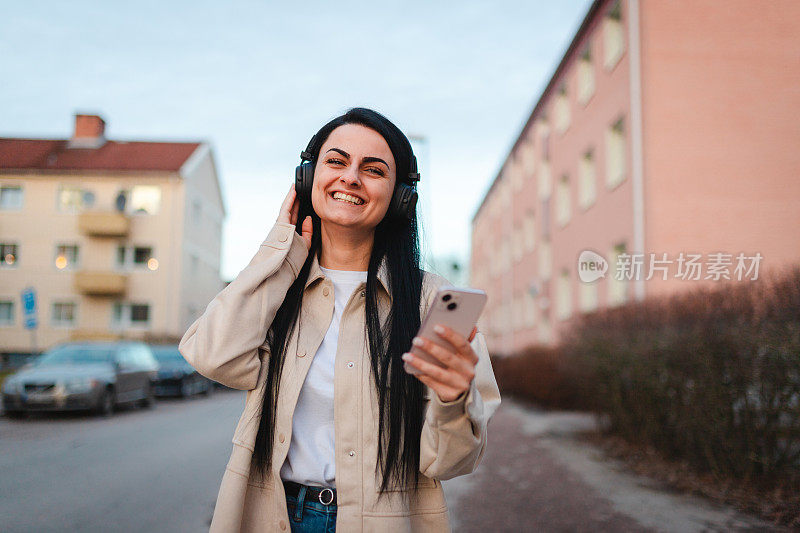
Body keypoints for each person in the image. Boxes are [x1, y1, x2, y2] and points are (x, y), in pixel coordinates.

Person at [179, 107, 501, 533]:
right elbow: (212, 357)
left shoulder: (430, 303)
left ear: (400, 197)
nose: (350, 178)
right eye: (336, 161)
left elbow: (449, 461)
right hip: (270, 515)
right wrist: (280, 247)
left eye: (373, 170)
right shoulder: (277, 285)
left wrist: (452, 400)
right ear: (307, 179)